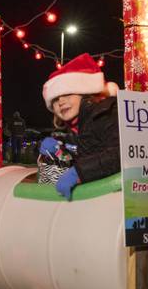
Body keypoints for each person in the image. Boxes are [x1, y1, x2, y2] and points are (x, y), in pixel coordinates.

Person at [39, 53, 120, 200]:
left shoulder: (105, 113)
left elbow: (120, 154)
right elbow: (89, 152)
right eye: (56, 99)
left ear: (86, 93)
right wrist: (60, 152)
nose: (61, 101)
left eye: (67, 94)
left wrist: (79, 172)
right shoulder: (77, 126)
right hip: (101, 197)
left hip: (119, 199)